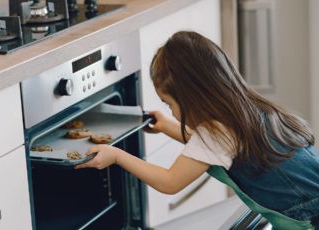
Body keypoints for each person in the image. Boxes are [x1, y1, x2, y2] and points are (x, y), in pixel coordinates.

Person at [75, 31, 319, 229]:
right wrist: (168, 127)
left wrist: (117, 156)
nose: (171, 111)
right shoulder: (247, 110)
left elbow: (170, 182)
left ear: (192, 99)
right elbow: (212, 150)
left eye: (169, 104)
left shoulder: (215, 133)